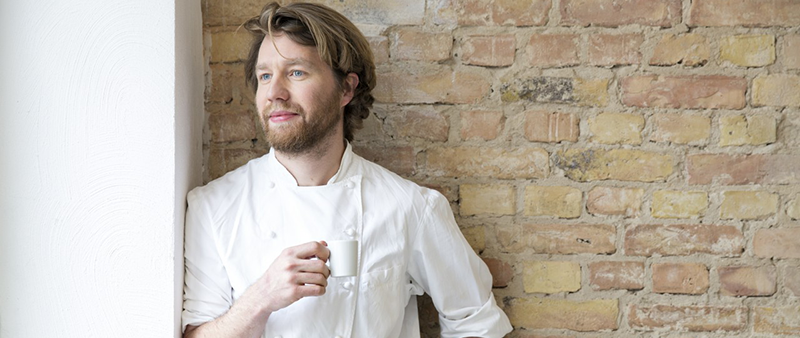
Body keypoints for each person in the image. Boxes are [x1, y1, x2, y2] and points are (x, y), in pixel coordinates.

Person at [181, 2, 513, 337]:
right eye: (265, 76)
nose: (274, 93)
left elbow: (477, 322)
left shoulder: (409, 207)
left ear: (346, 89)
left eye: (296, 72)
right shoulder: (214, 207)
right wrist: (262, 297)